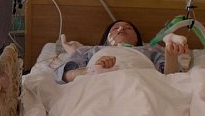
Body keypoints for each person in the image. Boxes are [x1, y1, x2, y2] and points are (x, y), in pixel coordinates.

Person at [55, 20, 189, 83]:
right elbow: (61, 76)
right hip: (96, 86)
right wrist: (90, 70)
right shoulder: (92, 50)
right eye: (115, 28)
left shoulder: (150, 50)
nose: (121, 29)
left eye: (128, 28)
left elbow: (171, 79)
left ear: (137, 38)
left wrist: (170, 54)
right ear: (107, 38)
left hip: (140, 85)